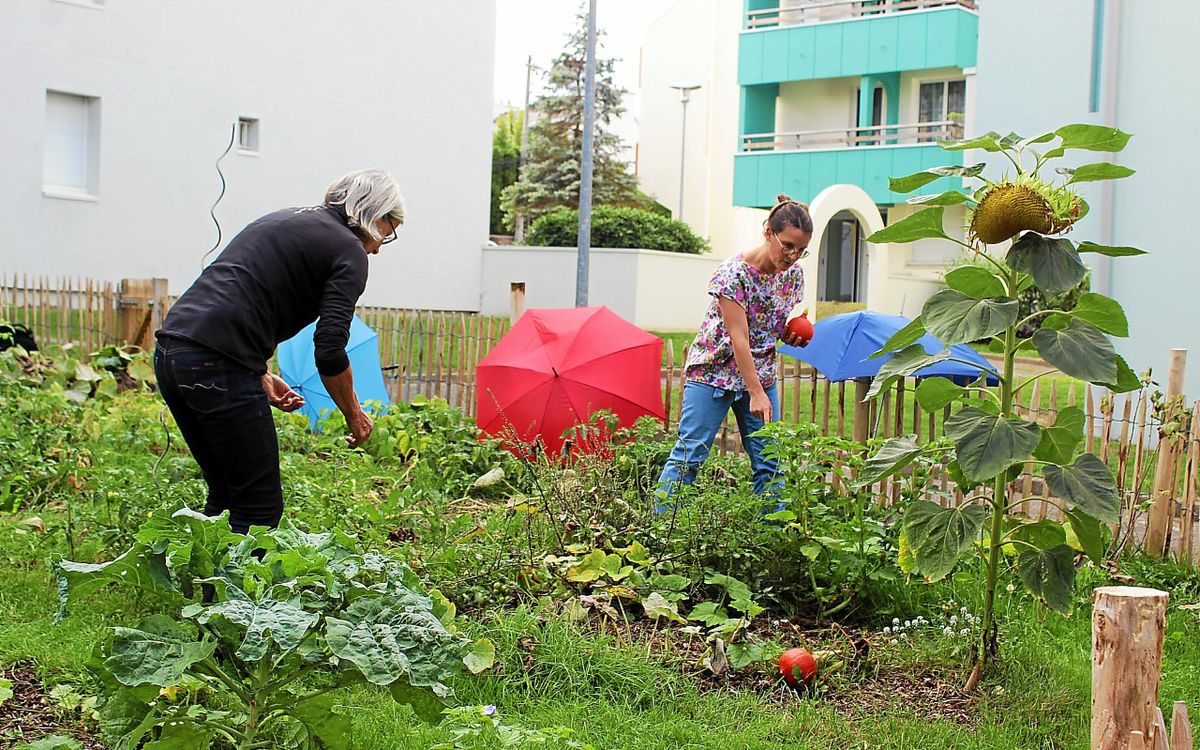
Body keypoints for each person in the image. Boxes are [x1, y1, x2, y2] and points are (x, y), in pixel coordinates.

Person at [154, 169, 404, 534]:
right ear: (372, 212)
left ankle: (205, 572)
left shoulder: (284, 219)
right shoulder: (349, 250)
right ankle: (240, 576)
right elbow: (330, 350)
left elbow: (243, 292)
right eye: (387, 230)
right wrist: (354, 414)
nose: (379, 246)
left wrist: (258, 370)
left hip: (173, 353)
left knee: (226, 495)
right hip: (218, 363)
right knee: (259, 509)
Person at [656, 194, 812, 507]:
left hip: (760, 375)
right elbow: (739, 337)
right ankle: (661, 528)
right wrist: (756, 393)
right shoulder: (733, 274)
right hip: (714, 373)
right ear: (768, 232)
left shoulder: (793, 276)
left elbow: (765, 323)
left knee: (770, 464)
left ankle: (772, 530)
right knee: (689, 457)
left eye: (800, 250)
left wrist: (788, 334)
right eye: (787, 245)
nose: (793, 256)